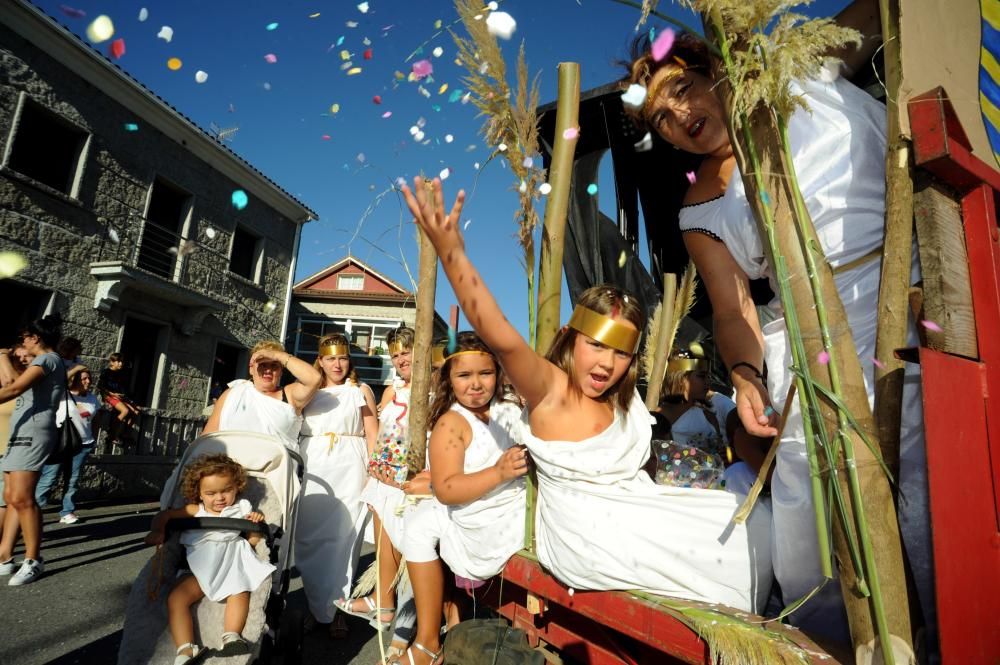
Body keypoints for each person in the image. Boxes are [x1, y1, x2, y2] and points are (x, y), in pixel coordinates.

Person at [623, 0, 930, 642]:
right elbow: (734, 311)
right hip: (800, 335)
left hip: (897, 293)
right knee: (808, 499)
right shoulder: (699, 205)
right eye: (661, 119)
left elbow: (883, 13)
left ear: (712, 72)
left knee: (915, 479)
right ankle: (827, 644)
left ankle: (935, 636)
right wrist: (743, 373)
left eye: (681, 89)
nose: (679, 116)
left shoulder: (797, 74)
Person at [403, 176, 772, 613]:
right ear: (570, 339)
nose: (605, 363)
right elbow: (499, 335)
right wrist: (452, 252)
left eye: (620, 352)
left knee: (756, 524)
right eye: (596, 345)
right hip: (588, 537)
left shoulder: (624, 398)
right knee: (739, 547)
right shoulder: (550, 391)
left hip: (634, 511)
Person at [397, 332, 528, 665]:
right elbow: (447, 489)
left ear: (497, 373)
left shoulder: (511, 409)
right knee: (416, 525)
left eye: (485, 373)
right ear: (449, 379)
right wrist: (498, 473)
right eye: (464, 375)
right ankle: (429, 636)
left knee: (416, 525)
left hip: (509, 514)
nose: (476, 384)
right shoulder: (451, 423)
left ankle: (431, 636)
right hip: (483, 507)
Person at [144, 454, 275, 664]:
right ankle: (186, 649)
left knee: (240, 592)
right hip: (199, 568)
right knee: (176, 599)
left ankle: (232, 635)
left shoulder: (242, 507)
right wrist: (158, 531)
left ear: (237, 487)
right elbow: (164, 516)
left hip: (231, 564)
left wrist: (256, 524)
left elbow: (252, 538)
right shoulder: (196, 509)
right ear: (200, 494)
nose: (219, 498)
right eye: (211, 493)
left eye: (226, 490)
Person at [336, 327, 414, 653]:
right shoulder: (390, 391)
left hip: (411, 479)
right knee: (384, 545)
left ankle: (411, 631)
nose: (401, 359)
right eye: (395, 355)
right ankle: (383, 604)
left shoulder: (435, 387)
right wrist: (373, 477)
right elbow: (381, 436)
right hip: (384, 477)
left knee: (412, 552)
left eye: (406, 352)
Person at [296, 333, 379, 639]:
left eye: (342, 358)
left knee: (345, 540)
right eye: (330, 358)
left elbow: (373, 434)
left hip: (350, 467)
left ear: (349, 360)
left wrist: (375, 475)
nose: (337, 364)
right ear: (320, 360)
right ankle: (316, 605)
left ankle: (337, 609)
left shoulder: (360, 390)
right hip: (314, 467)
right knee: (310, 542)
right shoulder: (309, 391)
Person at [0, 315, 66, 586]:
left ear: (34, 338)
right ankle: (5, 556)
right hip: (22, 431)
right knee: (11, 495)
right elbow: (14, 383)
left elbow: (14, 388)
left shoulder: (47, 359)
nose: (22, 344)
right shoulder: (44, 363)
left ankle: (33, 558)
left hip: (34, 432)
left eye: (24, 338)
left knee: (23, 497)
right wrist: (3, 356)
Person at [654, 350, 760, 494]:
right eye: (701, 377)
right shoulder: (663, 414)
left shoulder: (708, 414)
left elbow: (723, 447)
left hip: (713, 481)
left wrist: (726, 455)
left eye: (708, 377)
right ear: (681, 379)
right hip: (678, 483)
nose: (707, 382)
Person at [202, 341, 322, 448]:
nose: (268, 370)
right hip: (231, 468)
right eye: (263, 365)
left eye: (274, 365)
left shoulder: (289, 395)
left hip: (275, 470)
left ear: (281, 371)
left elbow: (314, 379)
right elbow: (208, 435)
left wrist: (278, 355)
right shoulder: (233, 393)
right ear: (251, 369)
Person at [35, 366, 100, 524]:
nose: (88, 381)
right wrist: (76, 367)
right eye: (83, 378)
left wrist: (94, 439)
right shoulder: (63, 395)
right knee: (50, 476)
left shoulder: (92, 398)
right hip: (60, 443)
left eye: (89, 378)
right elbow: (57, 382)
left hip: (83, 444)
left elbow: (95, 420)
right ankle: (33, 509)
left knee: (73, 479)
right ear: (74, 380)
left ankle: (67, 511)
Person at [98, 352, 141, 438]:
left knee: (136, 411)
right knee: (125, 411)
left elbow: (122, 388)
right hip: (109, 396)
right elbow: (100, 387)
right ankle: (112, 434)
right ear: (112, 362)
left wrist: (127, 398)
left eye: (122, 361)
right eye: (118, 361)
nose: (121, 363)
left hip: (120, 397)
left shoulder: (122, 373)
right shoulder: (106, 372)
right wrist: (112, 394)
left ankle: (124, 433)